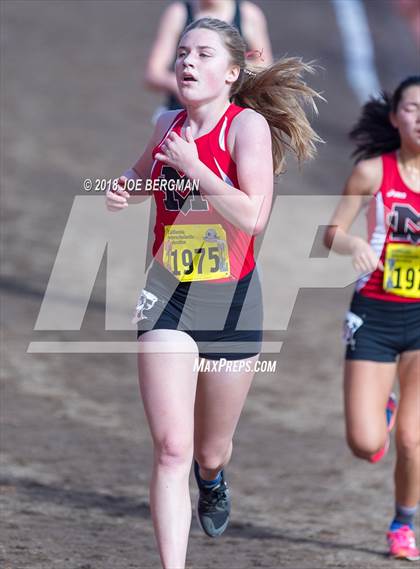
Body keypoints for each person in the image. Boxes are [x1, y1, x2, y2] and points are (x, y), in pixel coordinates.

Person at [107, 17, 320, 569]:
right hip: (167, 297)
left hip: (231, 301)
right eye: (181, 52)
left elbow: (253, 216)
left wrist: (196, 167)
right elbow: (141, 177)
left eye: (201, 53)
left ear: (230, 72)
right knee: (172, 448)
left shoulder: (245, 127)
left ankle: (214, 477)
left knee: (206, 450)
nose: (186, 62)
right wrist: (123, 190)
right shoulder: (165, 125)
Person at [324, 76, 420, 561]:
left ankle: (404, 524)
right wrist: (355, 244)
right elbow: (331, 232)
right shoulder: (372, 173)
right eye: (413, 108)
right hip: (375, 317)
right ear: (394, 117)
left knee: (413, 437)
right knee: (366, 443)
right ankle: (382, 409)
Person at [144, 0, 273, 112]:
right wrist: (183, 86)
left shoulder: (248, 14)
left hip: (233, 109)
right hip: (184, 112)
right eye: (183, 53)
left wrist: (226, 66)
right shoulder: (178, 13)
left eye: (204, 54)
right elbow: (153, 73)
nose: (189, 59)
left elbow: (265, 65)